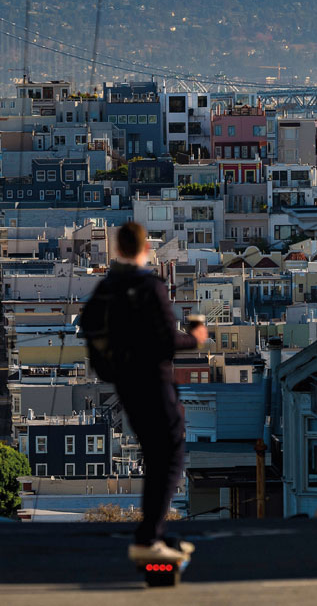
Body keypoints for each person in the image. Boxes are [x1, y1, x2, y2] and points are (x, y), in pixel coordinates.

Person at [92, 220, 208, 563]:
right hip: (154, 383)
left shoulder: (106, 287)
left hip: (125, 385)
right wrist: (196, 337)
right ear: (146, 250)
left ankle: (152, 532)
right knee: (170, 457)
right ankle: (149, 536)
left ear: (116, 250)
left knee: (153, 456)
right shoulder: (149, 286)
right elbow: (165, 341)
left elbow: (90, 328)